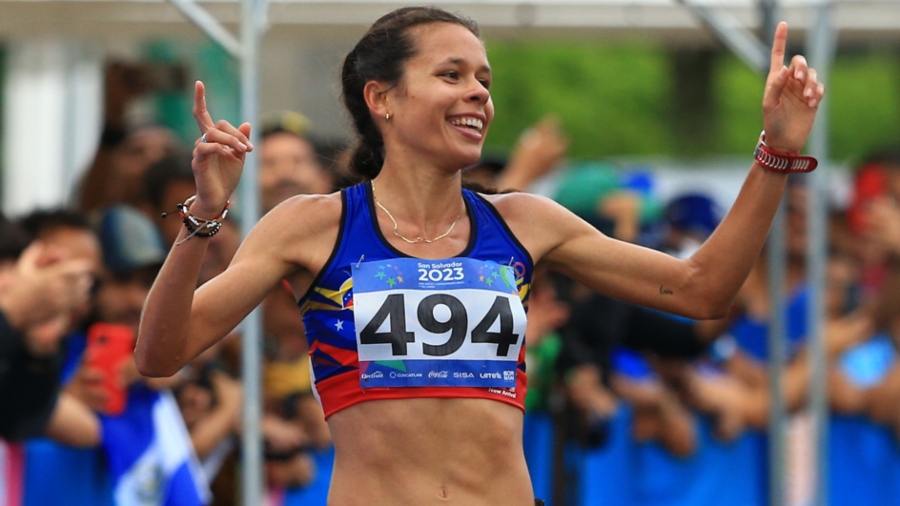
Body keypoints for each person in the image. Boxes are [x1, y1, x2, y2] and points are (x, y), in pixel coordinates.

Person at [135, 6, 824, 504]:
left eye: (484, 80)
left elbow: (701, 289)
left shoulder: (525, 221)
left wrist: (776, 153)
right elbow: (161, 353)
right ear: (382, 99)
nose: (478, 94)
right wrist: (204, 215)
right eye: (452, 74)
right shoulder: (311, 226)